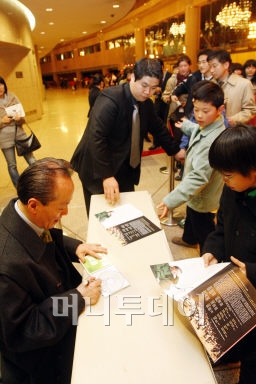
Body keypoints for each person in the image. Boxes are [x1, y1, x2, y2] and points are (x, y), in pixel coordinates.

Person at [0, 157, 106, 384]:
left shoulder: (22, 213)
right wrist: (78, 298)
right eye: (61, 207)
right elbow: (25, 329)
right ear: (34, 205)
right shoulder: (7, 266)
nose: (66, 213)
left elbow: (47, 237)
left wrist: (75, 246)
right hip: (43, 364)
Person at [70, 57, 180, 215]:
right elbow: (96, 138)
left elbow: (158, 129)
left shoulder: (146, 104)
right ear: (133, 77)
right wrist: (106, 176)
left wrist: (175, 150)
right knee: (103, 216)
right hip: (97, 167)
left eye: (153, 88)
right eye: (144, 85)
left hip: (124, 166)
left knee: (124, 213)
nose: (148, 92)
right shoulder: (110, 99)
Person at [202, 124, 256, 384]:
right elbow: (222, 226)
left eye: (229, 175)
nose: (224, 181)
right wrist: (212, 250)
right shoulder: (232, 188)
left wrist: (252, 272)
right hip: (234, 287)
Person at [158, 80, 226, 254]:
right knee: (191, 216)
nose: (199, 116)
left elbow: (198, 178)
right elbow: (199, 129)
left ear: (220, 109)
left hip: (203, 198)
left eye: (205, 111)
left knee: (204, 230)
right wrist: (187, 125)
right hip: (196, 197)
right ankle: (189, 239)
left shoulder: (212, 141)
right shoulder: (209, 125)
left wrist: (170, 200)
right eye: (196, 110)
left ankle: (208, 258)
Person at [0, 76, 36, 188]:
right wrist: (1, 121)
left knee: (31, 159)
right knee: (12, 165)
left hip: (19, 133)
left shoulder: (13, 97)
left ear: (4, 85)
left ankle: (40, 180)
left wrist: (19, 118)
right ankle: (19, 187)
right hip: (4, 138)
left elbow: (23, 117)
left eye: (1, 84)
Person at [208, 49, 256, 126]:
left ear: (226, 65)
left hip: (235, 131)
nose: (211, 70)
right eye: (210, 67)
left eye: (214, 66)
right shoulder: (210, 84)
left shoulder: (244, 84)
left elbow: (250, 110)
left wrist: (233, 120)